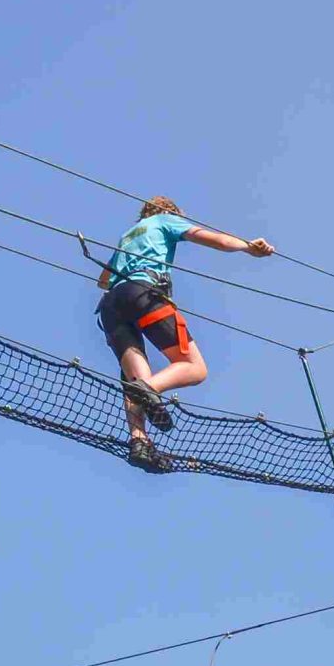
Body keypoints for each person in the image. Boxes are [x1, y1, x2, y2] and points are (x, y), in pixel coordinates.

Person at [94, 197, 273, 471]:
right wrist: (248, 247)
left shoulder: (128, 235)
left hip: (111, 306)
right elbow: (216, 240)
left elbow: (103, 280)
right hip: (144, 294)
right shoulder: (165, 220)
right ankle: (149, 389)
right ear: (170, 212)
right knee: (194, 368)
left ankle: (139, 441)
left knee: (134, 379)